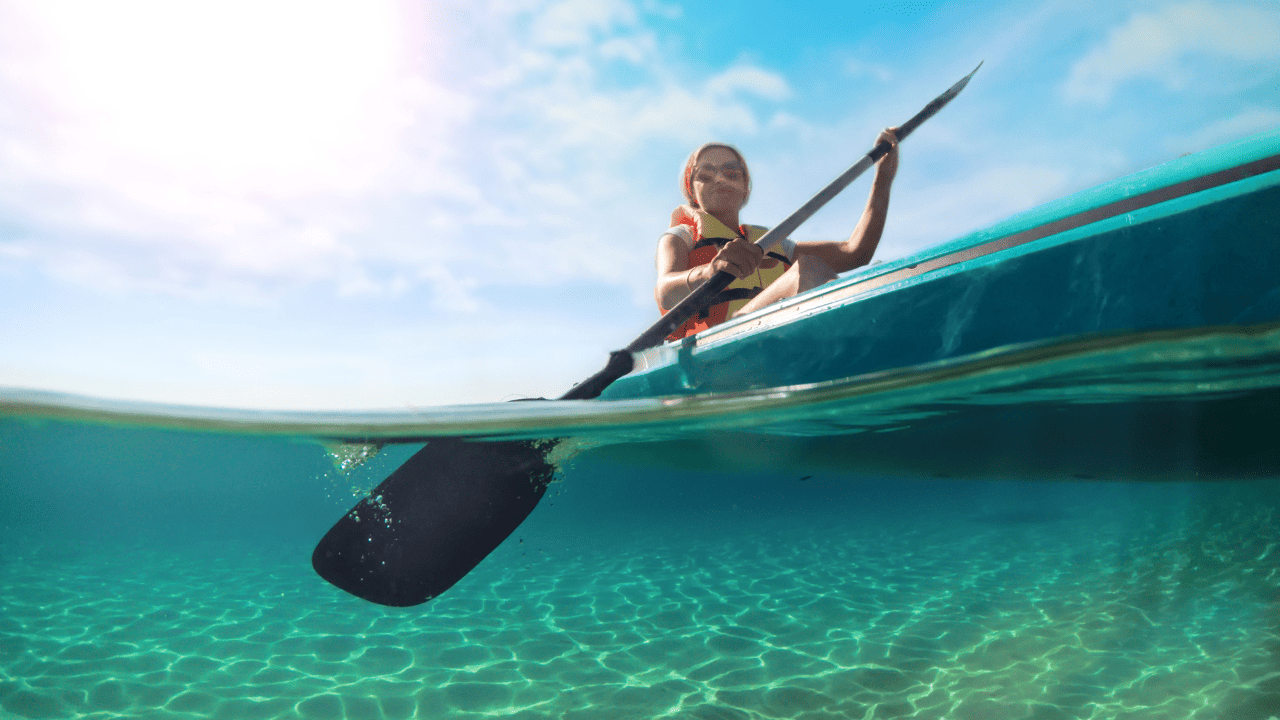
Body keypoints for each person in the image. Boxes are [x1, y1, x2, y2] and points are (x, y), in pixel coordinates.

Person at [655, 128, 899, 340]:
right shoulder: (681, 236)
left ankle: (865, 328)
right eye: (706, 175)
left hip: (775, 332)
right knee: (808, 269)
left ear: (745, 188)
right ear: (691, 190)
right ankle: (871, 330)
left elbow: (855, 253)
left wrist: (883, 177)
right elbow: (665, 292)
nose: (719, 179)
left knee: (819, 271)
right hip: (719, 343)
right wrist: (709, 271)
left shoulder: (775, 243)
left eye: (731, 173)